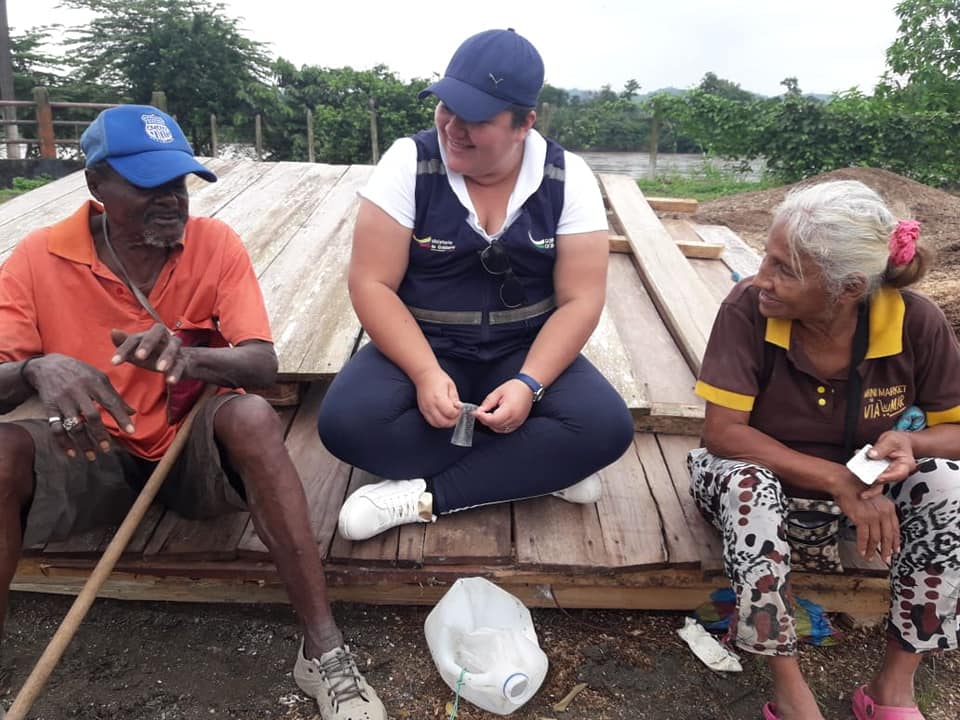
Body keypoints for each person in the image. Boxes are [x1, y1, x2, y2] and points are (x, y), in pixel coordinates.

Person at [0, 105, 386, 720]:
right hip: (89, 452)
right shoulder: (38, 257)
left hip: (186, 455)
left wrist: (189, 358)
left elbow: (261, 365)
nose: (169, 200)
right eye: (146, 184)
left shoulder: (214, 244)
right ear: (97, 184)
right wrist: (35, 369)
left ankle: (324, 650)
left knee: (252, 417)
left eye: (177, 183)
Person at [317, 28, 634, 541]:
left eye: (477, 119)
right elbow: (372, 283)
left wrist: (529, 383)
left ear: (524, 124)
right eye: (447, 108)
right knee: (346, 424)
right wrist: (424, 372)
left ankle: (424, 498)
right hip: (425, 343)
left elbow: (581, 299)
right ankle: (538, 468)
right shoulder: (409, 163)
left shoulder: (567, 177)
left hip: (521, 348)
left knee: (606, 428)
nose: (454, 129)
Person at [688, 179, 960, 720]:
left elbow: (955, 430)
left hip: (865, 497)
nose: (761, 277)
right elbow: (723, 433)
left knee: (949, 485)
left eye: (784, 269)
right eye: (767, 257)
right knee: (748, 486)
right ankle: (790, 690)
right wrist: (838, 479)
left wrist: (911, 441)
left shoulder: (914, 322)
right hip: (761, 490)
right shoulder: (749, 309)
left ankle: (893, 687)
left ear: (849, 288)